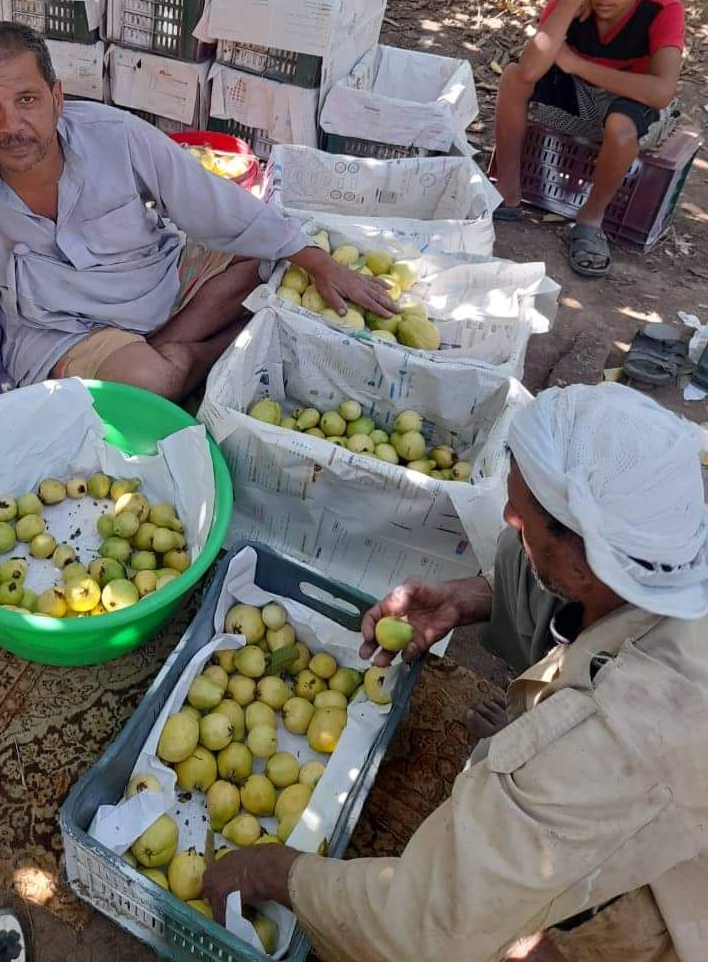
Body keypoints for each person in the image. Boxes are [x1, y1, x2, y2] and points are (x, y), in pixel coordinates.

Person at [204, 382, 708, 962]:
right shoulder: (664, 546)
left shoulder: (605, 742)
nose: (508, 517)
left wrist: (271, 871)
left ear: (585, 559)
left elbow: (420, 933)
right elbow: (567, 586)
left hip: (676, 893)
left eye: (523, 518)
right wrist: (464, 599)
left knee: (518, 943)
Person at [0, 22, 393, 445]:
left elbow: (213, 206)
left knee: (273, 259)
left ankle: (177, 345)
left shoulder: (116, 136)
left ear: (57, 98)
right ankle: (198, 357)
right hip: (60, 329)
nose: (11, 126)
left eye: (26, 100)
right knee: (148, 383)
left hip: (159, 282)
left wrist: (312, 257)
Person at [492, 0, 684, 278]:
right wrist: (569, 2)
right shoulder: (572, 1)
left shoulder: (663, 10)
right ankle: (508, 193)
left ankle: (590, 221)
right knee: (513, 78)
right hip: (579, 102)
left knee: (621, 127)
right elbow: (529, 71)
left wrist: (576, 65)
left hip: (633, 107)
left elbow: (661, 92)